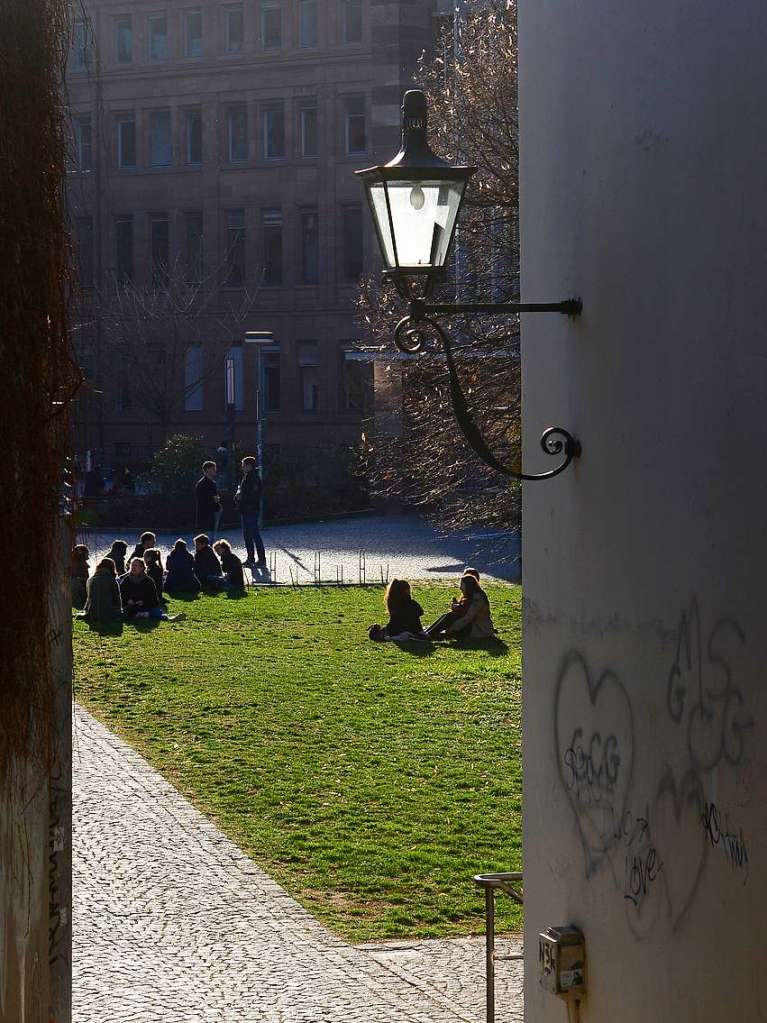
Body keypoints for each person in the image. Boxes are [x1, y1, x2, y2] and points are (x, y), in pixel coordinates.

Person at [426, 572, 496, 640]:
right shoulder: (470, 596)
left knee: (450, 616)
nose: (460, 588)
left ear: (468, 587)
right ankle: (428, 632)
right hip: (470, 626)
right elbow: (463, 611)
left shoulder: (478, 598)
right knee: (448, 616)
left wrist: (451, 628)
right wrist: (457, 607)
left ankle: (429, 634)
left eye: (462, 585)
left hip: (480, 630)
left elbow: (468, 617)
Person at [118, 558, 184, 621]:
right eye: (132, 565)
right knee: (125, 611)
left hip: (145, 605)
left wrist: (143, 601)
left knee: (155, 611)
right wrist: (128, 600)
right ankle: (141, 615)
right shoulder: (126, 580)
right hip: (131, 606)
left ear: (142, 568)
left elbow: (153, 598)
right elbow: (121, 594)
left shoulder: (148, 581)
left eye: (135, 565)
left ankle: (167, 618)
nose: (133, 567)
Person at [235, 456, 266, 569]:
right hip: (246, 509)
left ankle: (261, 559)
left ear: (249, 465)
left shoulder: (254, 478)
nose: (242, 467)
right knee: (247, 536)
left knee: (254, 535)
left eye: (243, 464)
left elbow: (254, 494)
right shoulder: (247, 477)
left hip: (251, 510)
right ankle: (250, 558)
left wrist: (241, 497)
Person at [82, 557, 122, 622]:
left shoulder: (90, 579)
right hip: (108, 613)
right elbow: (117, 599)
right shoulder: (112, 580)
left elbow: (89, 598)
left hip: (92, 613)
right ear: (112, 568)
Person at [195, 461, 220, 536]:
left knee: (210, 537)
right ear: (208, 470)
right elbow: (212, 499)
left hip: (209, 514)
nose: (215, 470)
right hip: (206, 515)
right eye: (213, 469)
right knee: (208, 538)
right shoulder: (204, 484)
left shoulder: (210, 483)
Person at [71, 544, 90, 609]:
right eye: (87, 553)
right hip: (80, 589)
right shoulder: (81, 565)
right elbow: (85, 579)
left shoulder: (72, 563)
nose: (88, 555)